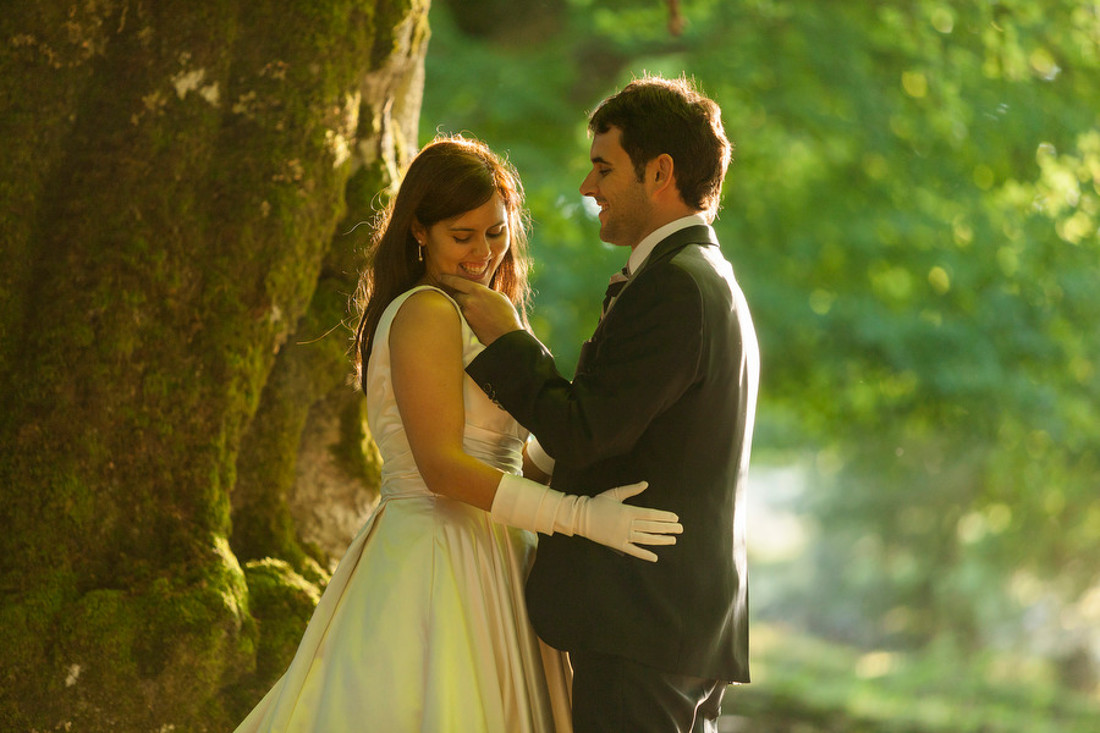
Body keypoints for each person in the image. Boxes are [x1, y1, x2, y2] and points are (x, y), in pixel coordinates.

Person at [233, 134, 683, 733]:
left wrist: (594, 437)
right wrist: (579, 517)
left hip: (497, 555)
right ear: (419, 230)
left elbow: (509, 453)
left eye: (496, 232)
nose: (483, 253)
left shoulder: (486, 313)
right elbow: (442, 467)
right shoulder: (426, 310)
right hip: (436, 556)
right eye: (462, 236)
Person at [442, 75, 760, 732]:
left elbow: (585, 430)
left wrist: (508, 339)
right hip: (670, 621)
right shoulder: (704, 277)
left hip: (643, 621)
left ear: (660, 172)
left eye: (604, 167)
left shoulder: (676, 286)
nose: (588, 187)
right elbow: (628, 424)